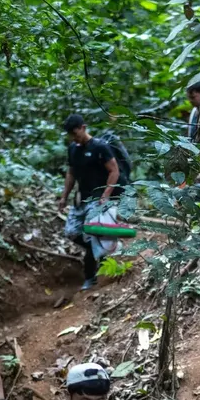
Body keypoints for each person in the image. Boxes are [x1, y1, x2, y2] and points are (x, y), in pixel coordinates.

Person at [59, 114, 121, 291]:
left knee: (91, 231)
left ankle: (91, 277)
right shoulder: (73, 148)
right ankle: (101, 248)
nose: (74, 137)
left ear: (83, 128)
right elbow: (71, 173)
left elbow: (114, 170)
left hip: (97, 199)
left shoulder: (100, 147)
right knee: (71, 232)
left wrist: (106, 194)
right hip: (81, 199)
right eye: (71, 135)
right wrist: (64, 196)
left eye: (75, 133)